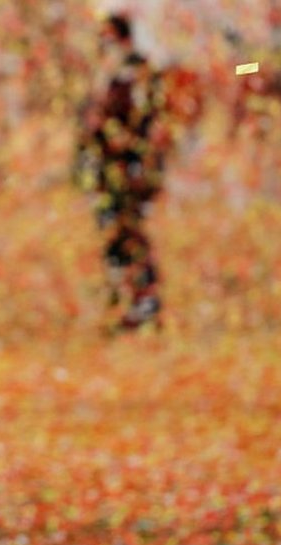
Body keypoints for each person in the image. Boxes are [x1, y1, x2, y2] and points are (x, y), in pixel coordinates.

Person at [78, 13, 164, 332]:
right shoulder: (108, 71)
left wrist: (113, 133)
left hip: (129, 169)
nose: (103, 44)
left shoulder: (135, 71)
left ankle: (143, 306)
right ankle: (124, 305)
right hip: (106, 171)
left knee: (130, 237)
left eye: (109, 37)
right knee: (114, 238)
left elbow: (143, 123)